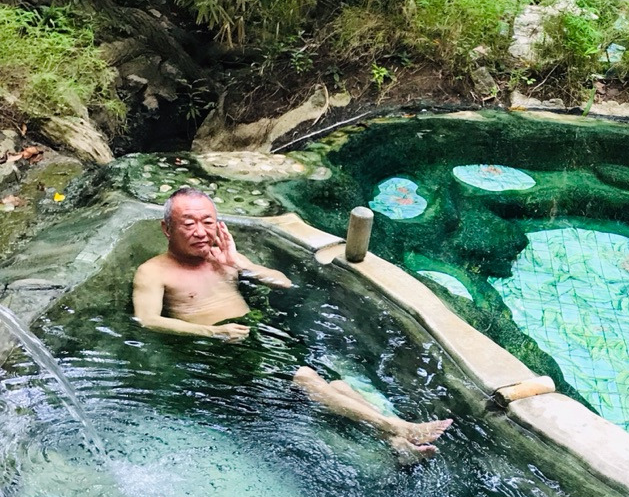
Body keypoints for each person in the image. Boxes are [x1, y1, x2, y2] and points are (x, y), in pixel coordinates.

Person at [132, 186, 452, 463]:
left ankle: (397, 445)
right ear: (167, 228)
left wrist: (240, 265)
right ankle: (398, 427)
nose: (201, 232)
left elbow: (282, 283)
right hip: (222, 345)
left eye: (207, 222)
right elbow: (147, 320)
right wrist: (212, 332)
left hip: (260, 332)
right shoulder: (154, 271)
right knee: (307, 379)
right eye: (189, 223)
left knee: (339, 387)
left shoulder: (223, 257)